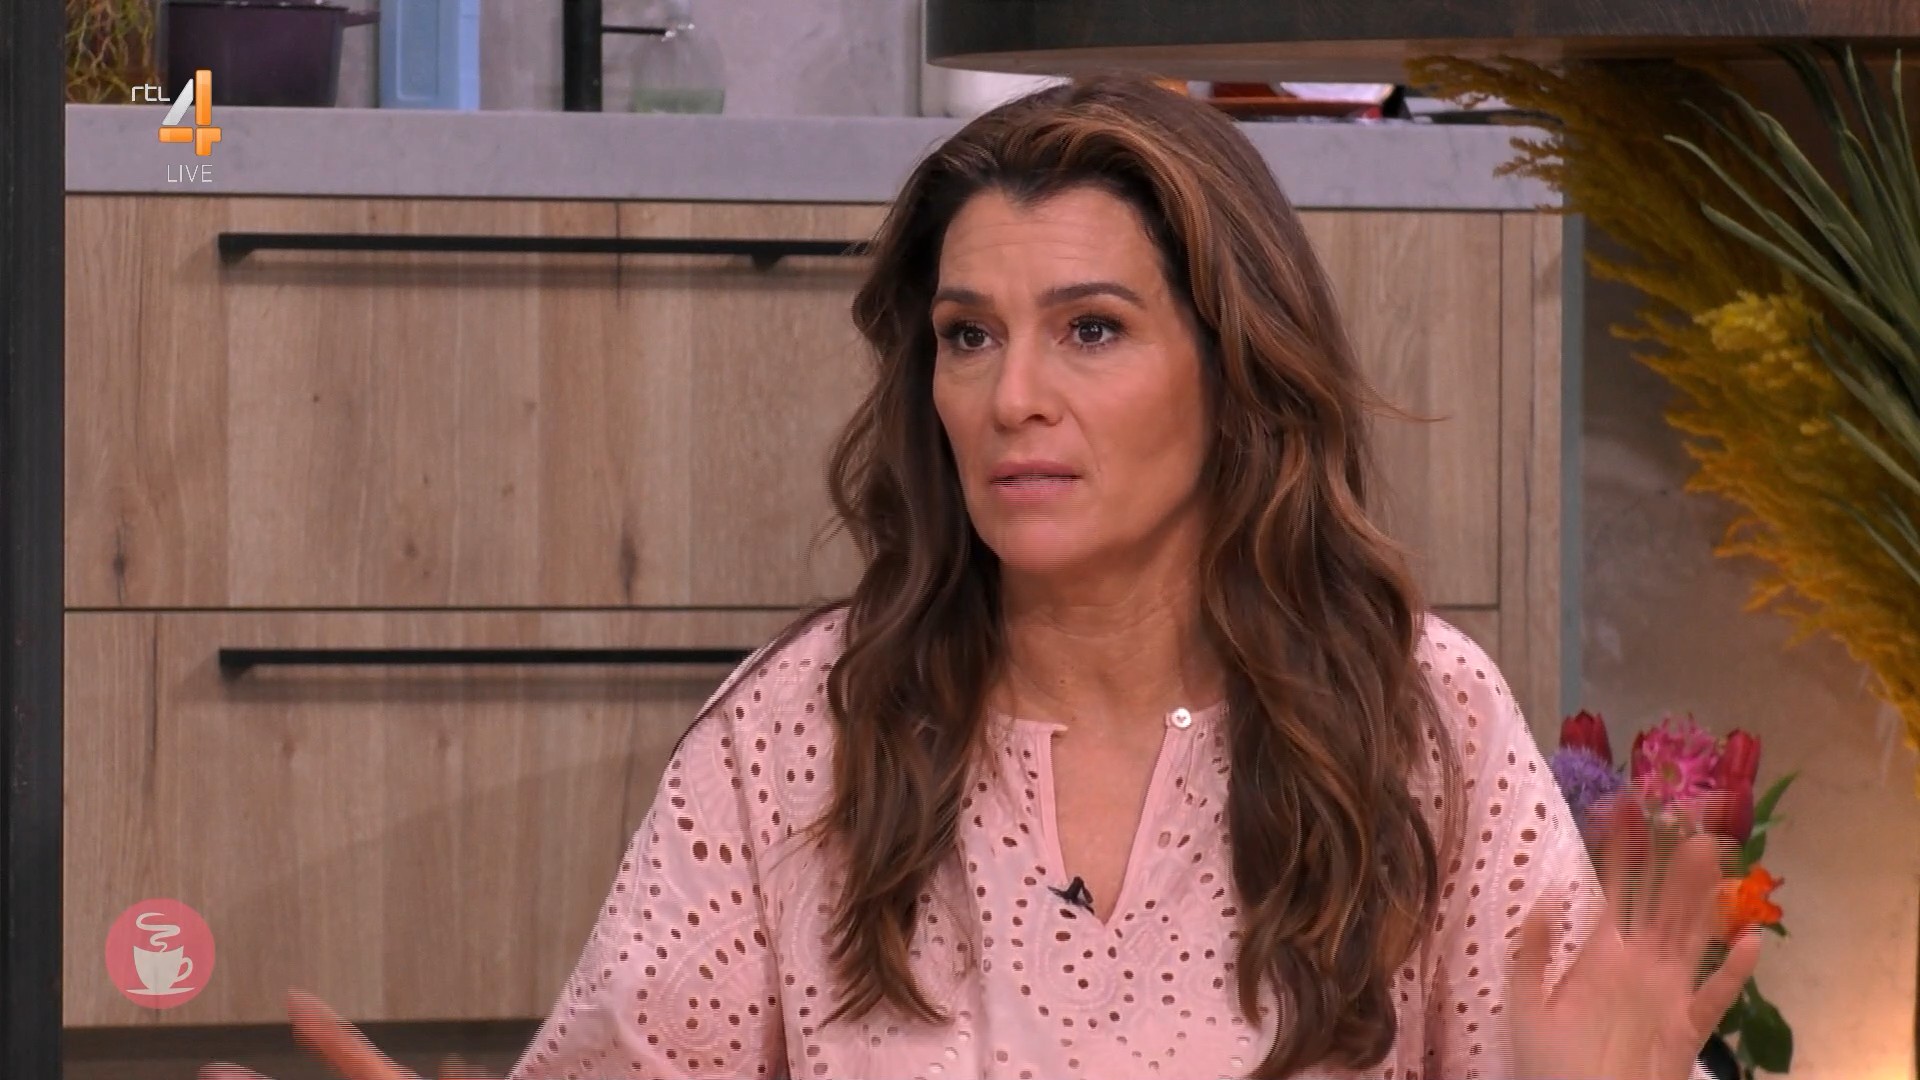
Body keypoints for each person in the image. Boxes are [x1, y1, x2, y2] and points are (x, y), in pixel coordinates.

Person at [204, 74, 1759, 1080]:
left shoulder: (1417, 715)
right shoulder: (798, 730)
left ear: (1236, 366)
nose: (1012, 396)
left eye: (1091, 330)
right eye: (967, 336)